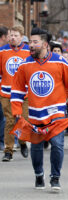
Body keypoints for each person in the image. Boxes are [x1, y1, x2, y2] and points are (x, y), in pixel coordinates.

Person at [11, 27, 68, 191]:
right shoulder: (25, 65)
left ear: (45, 44)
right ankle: (39, 174)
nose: (30, 45)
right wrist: (16, 111)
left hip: (56, 113)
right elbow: (17, 90)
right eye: (30, 42)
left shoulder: (60, 61)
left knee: (57, 144)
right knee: (36, 148)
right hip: (35, 114)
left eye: (34, 42)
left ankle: (55, 177)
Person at [0, 25, 30, 161]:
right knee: (10, 121)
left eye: (15, 35)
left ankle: (22, 142)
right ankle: (8, 150)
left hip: (24, 94)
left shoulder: (29, 51)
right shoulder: (2, 51)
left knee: (23, 120)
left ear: (22, 37)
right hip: (7, 92)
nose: (12, 38)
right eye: (10, 35)